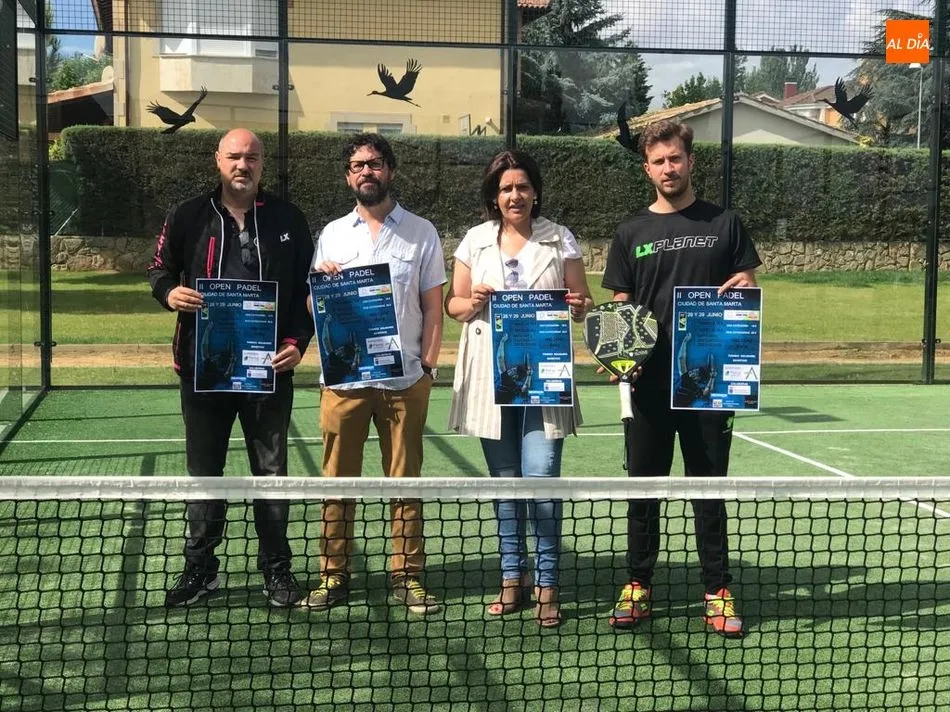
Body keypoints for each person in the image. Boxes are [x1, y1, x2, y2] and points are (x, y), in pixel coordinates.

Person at [601, 120, 760, 637]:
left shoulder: (725, 223)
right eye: (658, 161)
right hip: (647, 385)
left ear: (690, 161)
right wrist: (621, 359)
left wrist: (744, 287)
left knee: (708, 490)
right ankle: (637, 585)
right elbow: (621, 308)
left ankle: (716, 590)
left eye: (675, 158)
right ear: (646, 168)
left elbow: (746, 287)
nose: (668, 168)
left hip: (707, 384)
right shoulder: (630, 232)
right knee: (642, 489)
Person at [147, 128, 315, 608]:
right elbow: (158, 268)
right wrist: (168, 293)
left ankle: (277, 572)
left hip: (268, 372)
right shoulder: (186, 215)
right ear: (218, 160)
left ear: (262, 164)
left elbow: (306, 290)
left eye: (253, 158)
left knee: (272, 474)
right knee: (205, 473)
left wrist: (297, 343)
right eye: (235, 156)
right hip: (205, 371)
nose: (244, 165)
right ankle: (200, 570)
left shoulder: (289, 218)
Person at [445, 149, 593, 628]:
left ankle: (548, 584)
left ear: (535, 192)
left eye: (523, 187)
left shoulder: (559, 240)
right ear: (494, 194)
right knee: (506, 486)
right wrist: (471, 301)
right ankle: (513, 578)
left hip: (544, 381)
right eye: (506, 188)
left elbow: (582, 300)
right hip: (491, 379)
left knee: (542, 482)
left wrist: (578, 305)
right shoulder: (474, 241)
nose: (515, 195)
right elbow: (453, 305)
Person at [301, 133, 446, 615]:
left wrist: (426, 366)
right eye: (358, 165)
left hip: (405, 381)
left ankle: (407, 576)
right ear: (348, 175)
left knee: (405, 483)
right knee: (336, 484)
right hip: (344, 381)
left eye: (376, 163)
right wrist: (323, 288)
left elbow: (432, 306)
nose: (367, 171)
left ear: (391, 170)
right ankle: (333, 575)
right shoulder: (331, 234)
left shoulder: (421, 232)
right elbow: (311, 304)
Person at [673, 333, 716, 408]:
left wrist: (685, 341)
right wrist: (712, 378)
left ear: (697, 378)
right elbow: (706, 392)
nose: (691, 371)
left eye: (694, 372)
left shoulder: (688, 382)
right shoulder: (695, 389)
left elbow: (681, 359)